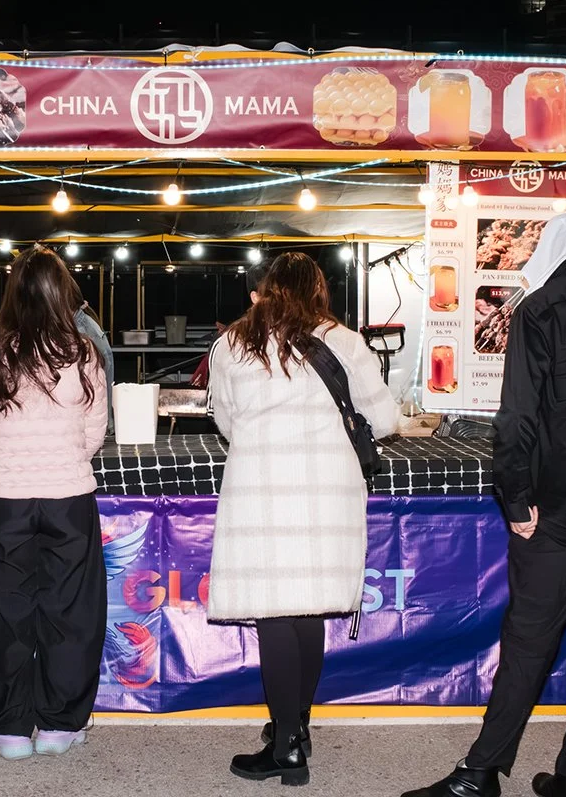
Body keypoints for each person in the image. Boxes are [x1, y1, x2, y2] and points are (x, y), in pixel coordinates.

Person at [402, 212, 566, 797]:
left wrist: (517, 498)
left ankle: (480, 774)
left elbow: (518, 416)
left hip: (558, 510)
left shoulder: (545, 307)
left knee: (529, 639)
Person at [207, 252, 399, 786]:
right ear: (319, 292)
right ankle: (297, 728)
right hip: (329, 496)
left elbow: (225, 418)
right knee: (309, 612)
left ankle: (287, 743)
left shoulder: (233, 345)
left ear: (265, 290)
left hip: (261, 493)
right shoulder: (347, 342)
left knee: (275, 615)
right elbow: (383, 420)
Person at [0, 245, 108, 761]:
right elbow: (96, 431)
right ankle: (59, 725)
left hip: (6, 497)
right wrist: (62, 456)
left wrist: (15, 453)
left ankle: (8, 729)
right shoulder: (82, 352)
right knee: (70, 613)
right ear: (61, 291)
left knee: (6, 612)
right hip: (68, 495)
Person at [190, 259, 271, 389]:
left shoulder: (297, 338)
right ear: (255, 297)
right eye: (272, 293)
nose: (283, 300)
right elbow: (214, 403)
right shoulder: (229, 341)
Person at [69, 278, 114, 434]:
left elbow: (95, 389)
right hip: (87, 429)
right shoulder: (83, 327)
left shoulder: (82, 333)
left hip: (83, 430)